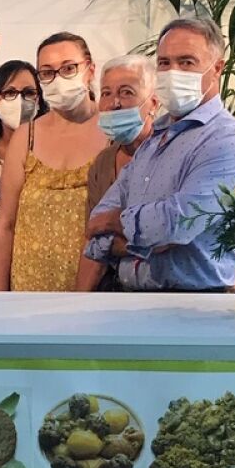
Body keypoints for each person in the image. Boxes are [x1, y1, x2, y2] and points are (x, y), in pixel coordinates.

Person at [77, 17, 235, 293]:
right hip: (132, 299)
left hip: (195, 303)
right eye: (164, 63)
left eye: (186, 62)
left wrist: (117, 224)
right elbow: (96, 224)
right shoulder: (155, 139)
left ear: (217, 69)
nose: (173, 72)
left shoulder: (227, 141)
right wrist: (147, 237)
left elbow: (177, 224)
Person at [0, 34, 109, 292]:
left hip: (94, 292)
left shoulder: (112, 132)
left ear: (90, 70)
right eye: (47, 73)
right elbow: (6, 224)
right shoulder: (26, 137)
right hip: (28, 292)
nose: (58, 80)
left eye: (68, 69)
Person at [83, 54, 162, 291]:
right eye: (106, 93)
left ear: (153, 103)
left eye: (126, 92)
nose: (114, 103)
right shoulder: (103, 163)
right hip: (111, 290)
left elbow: (171, 236)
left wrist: (114, 230)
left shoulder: (170, 154)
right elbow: (93, 235)